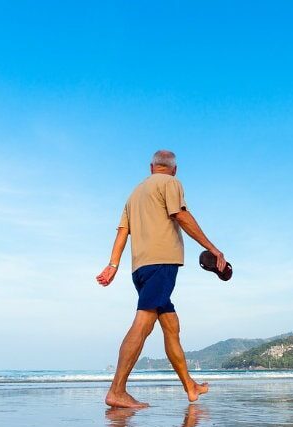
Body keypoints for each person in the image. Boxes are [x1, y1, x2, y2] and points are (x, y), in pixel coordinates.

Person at [96, 150, 227, 408]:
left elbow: (123, 233)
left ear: (151, 167)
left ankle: (190, 386)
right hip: (161, 263)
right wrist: (213, 249)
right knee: (143, 324)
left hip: (140, 268)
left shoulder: (134, 194)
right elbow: (181, 216)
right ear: (174, 169)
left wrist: (113, 264)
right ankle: (117, 391)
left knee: (171, 326)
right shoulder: (171, 183)